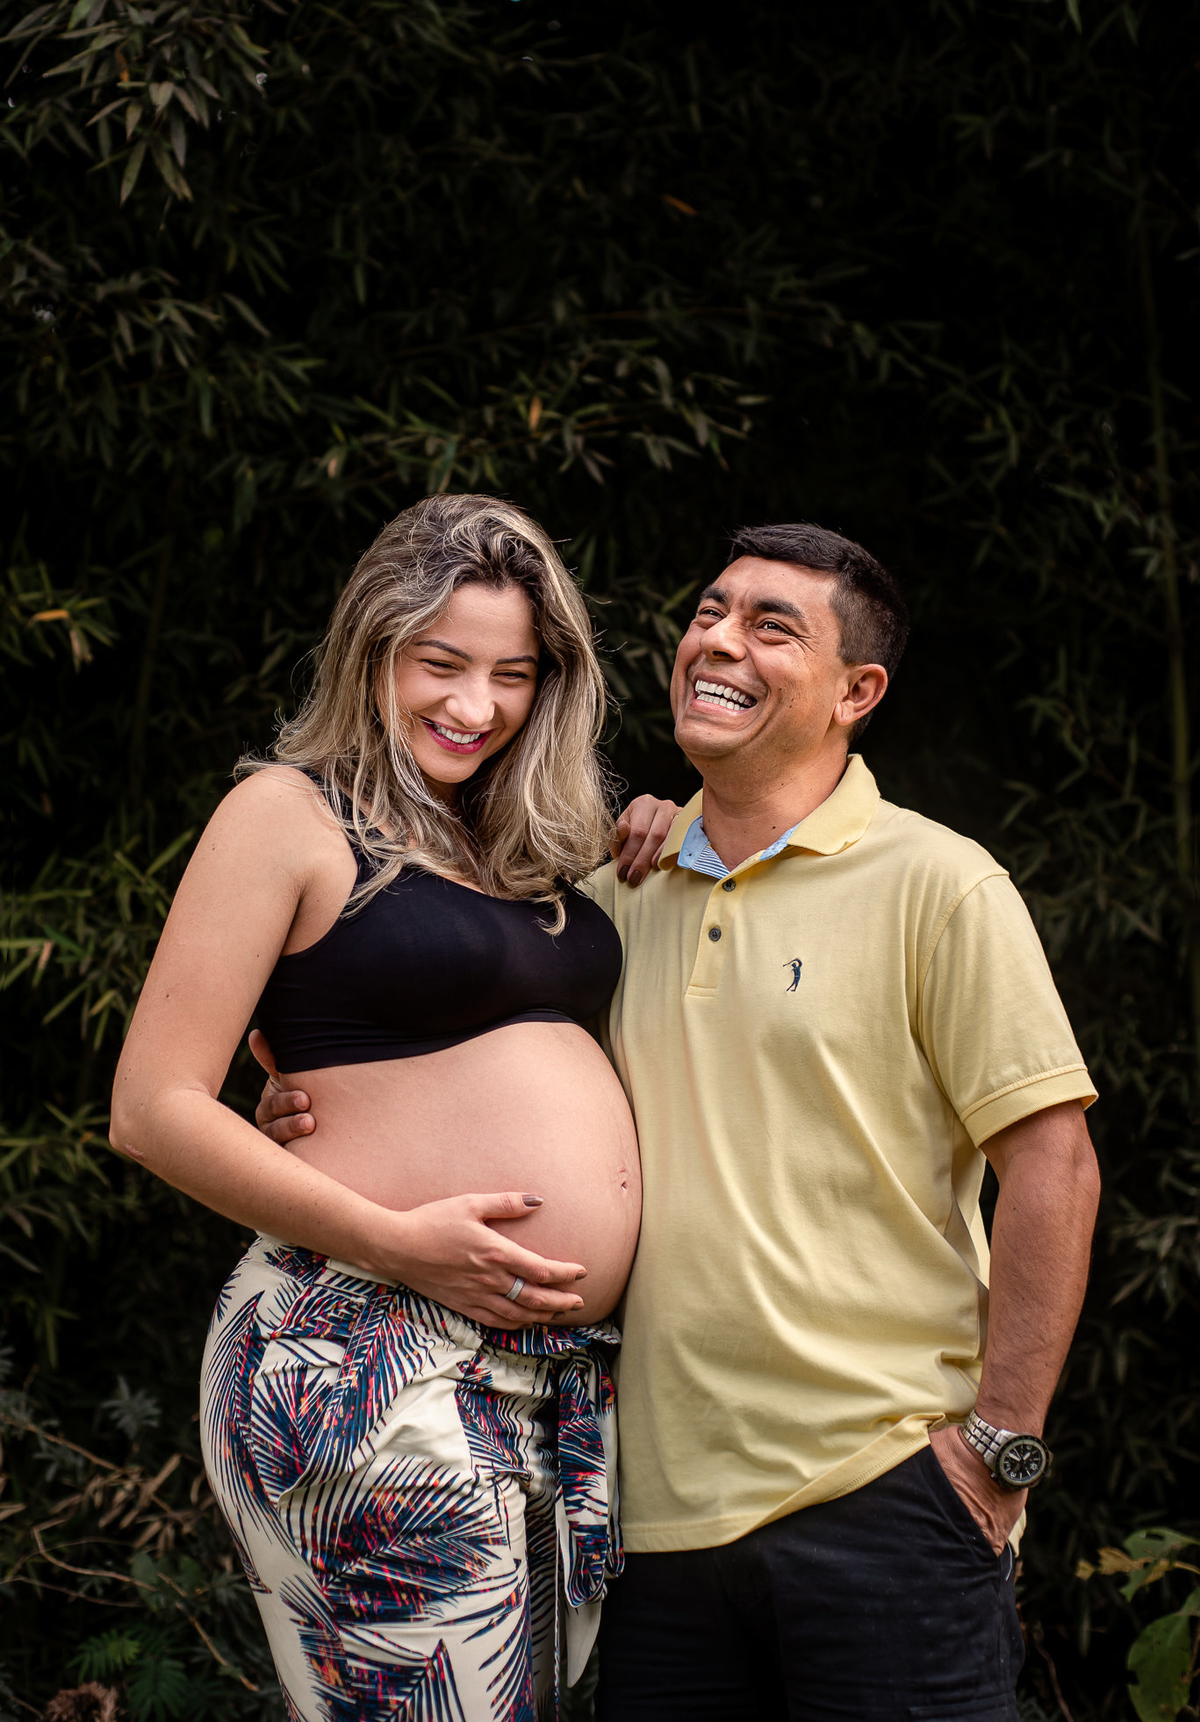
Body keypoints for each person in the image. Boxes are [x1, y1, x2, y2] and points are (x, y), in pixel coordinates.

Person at [262, 520, 1102, 1721]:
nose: (720, 640)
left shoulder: (937, 882)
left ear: (858, 690)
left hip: (884, 1491)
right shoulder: (605, 896)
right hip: (647, 1517)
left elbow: (1056, 1166)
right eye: (712, 610)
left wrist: (1000, 1448)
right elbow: (442, 1032)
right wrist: (315, 1099)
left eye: (773, 626)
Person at [110, 495, 645, 1722]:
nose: (475, 705)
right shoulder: (287, 816)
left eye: (513, 674)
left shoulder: (521, 845)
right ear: (371, 648)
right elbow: (150, 1105)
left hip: (541, 1376)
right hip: (360, 1348)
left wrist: (659, 830)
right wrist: (397, 1236)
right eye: (439, 662)